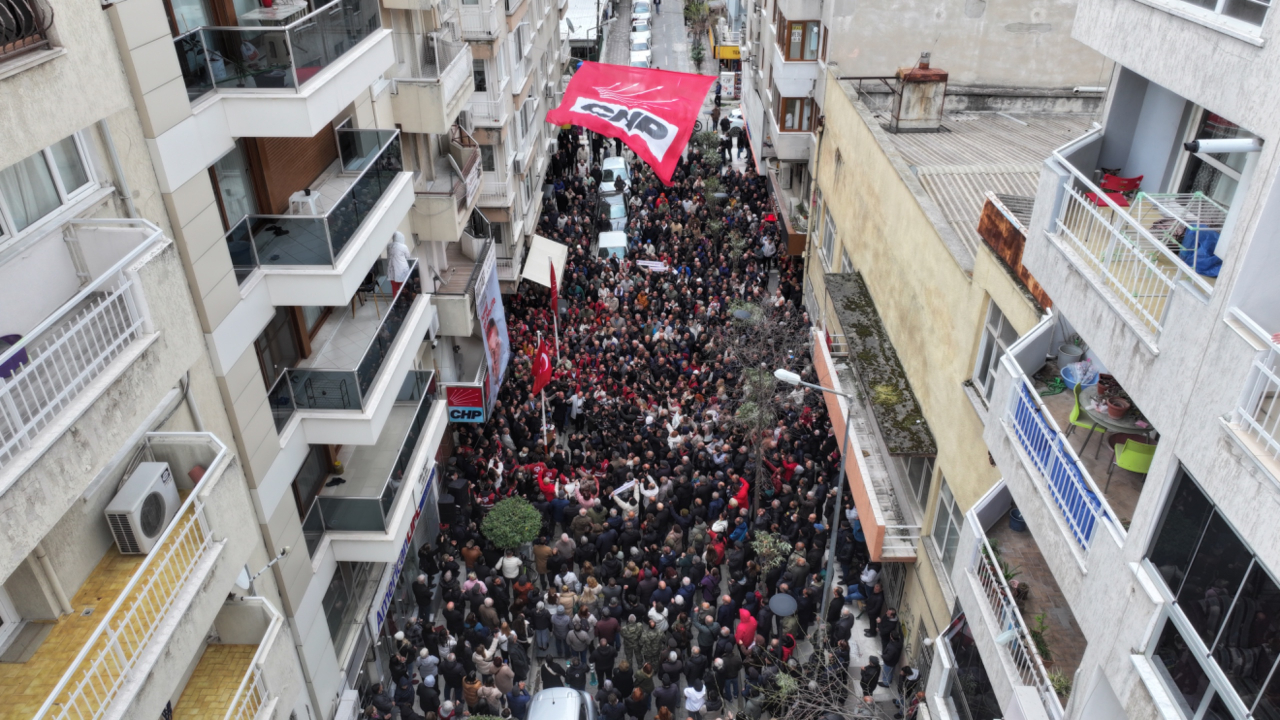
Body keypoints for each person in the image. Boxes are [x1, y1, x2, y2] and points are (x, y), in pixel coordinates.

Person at [387, 231, 411, 296]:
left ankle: (395, 302)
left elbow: (388, 256)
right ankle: (404, 299)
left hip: (392, 270)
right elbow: (408, 256)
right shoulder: (403, 246)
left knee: (395, 288)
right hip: (402, 270)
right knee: (404, 287)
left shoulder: (389, 246)